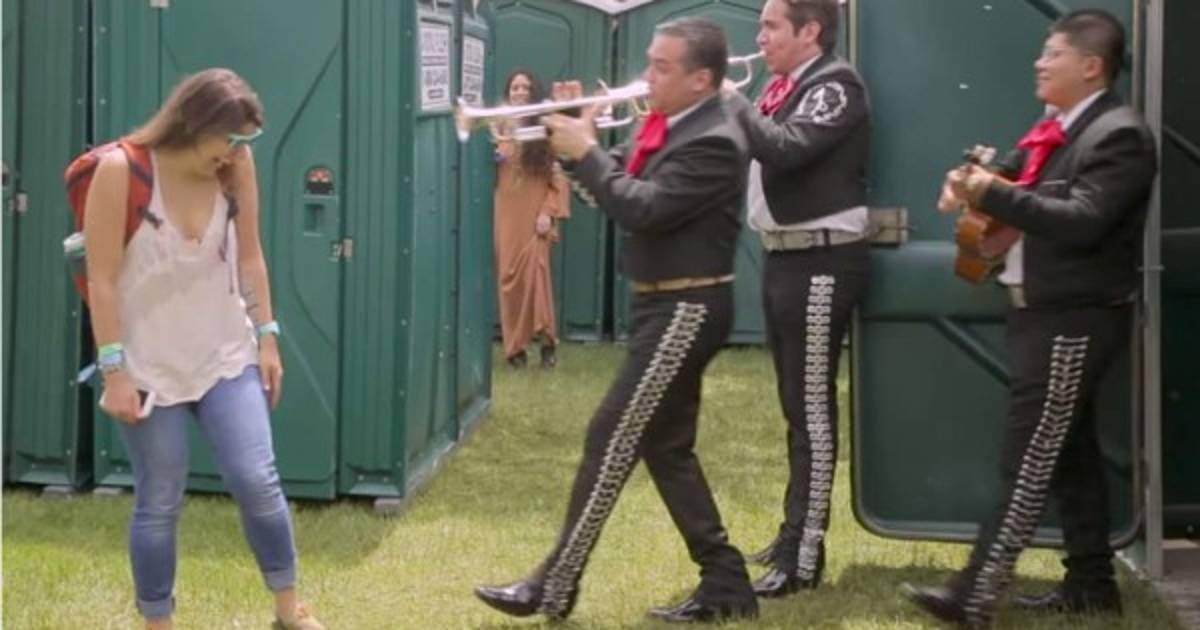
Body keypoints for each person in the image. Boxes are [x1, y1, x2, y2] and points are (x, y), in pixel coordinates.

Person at [473, 17, 759, 624]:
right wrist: (574, 143)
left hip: (687, 306)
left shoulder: (715, 138)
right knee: (667, 450)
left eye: (661, 67)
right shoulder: (672, 125)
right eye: (649, 62)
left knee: (610, 437)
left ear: (702, 79)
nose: (646, 77)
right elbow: (610, 186)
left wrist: (586, 152)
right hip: (665, 304)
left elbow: (642, 209)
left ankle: (554, 586)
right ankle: (726, 581)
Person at [902, 10, 1157, 627]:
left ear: (1091, 66)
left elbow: (1084, 220)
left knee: (1027, 461)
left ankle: (974, 596)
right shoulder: (1056, 130)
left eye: (1053, 54)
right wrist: (967, 184)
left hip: (1073, 319)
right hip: (1044, 314)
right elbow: (1013, 184)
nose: (1039, 63)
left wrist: (989, 192)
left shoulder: (1119, 135)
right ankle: (1092, 585)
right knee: (1070, 456)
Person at [83, 68, 324, 630]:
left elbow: (251, 257)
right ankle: (158, 622)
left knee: (256, 478)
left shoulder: (236, 168)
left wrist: (268, 337)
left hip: (225, 356)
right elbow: (102, 280)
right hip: (148, 367)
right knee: (160, 498)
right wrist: (114, 372)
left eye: (246, 141)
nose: (237, 152)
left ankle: (289, 610)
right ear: (194, 122)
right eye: (231, 139)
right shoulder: (121, 170)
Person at [720, 0, 871, 598]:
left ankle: (803, 557)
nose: (759, 37)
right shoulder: (783, 87)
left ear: (810, 31)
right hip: (786, 256)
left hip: (823, 261)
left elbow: (785, 148)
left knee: (811, 411)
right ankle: (792, 535)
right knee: (794, 409)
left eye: (770, 26)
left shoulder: (835, 85)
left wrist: (732, 100)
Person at [493, 70, 571, 369]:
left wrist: (547, 212)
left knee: (537, 279)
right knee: (508, 281)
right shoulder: (497, 126)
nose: (520, 92)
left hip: (535, 216)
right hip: (506, 216)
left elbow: (558, 179)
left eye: (525, 88)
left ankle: (548, 343)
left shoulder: (543, 130)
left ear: (534, 92)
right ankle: (515, 349)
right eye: (515, 87)